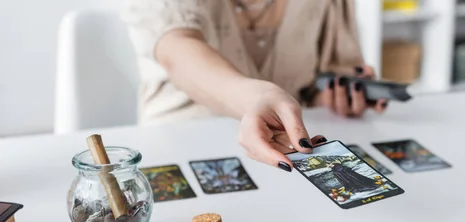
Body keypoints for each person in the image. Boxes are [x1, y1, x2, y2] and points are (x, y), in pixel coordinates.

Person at [122, 0, 389, 172]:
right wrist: (256, 99)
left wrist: (329, 99)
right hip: (176, 153)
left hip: (285, 162)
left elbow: (316, 83)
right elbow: (177, 52)